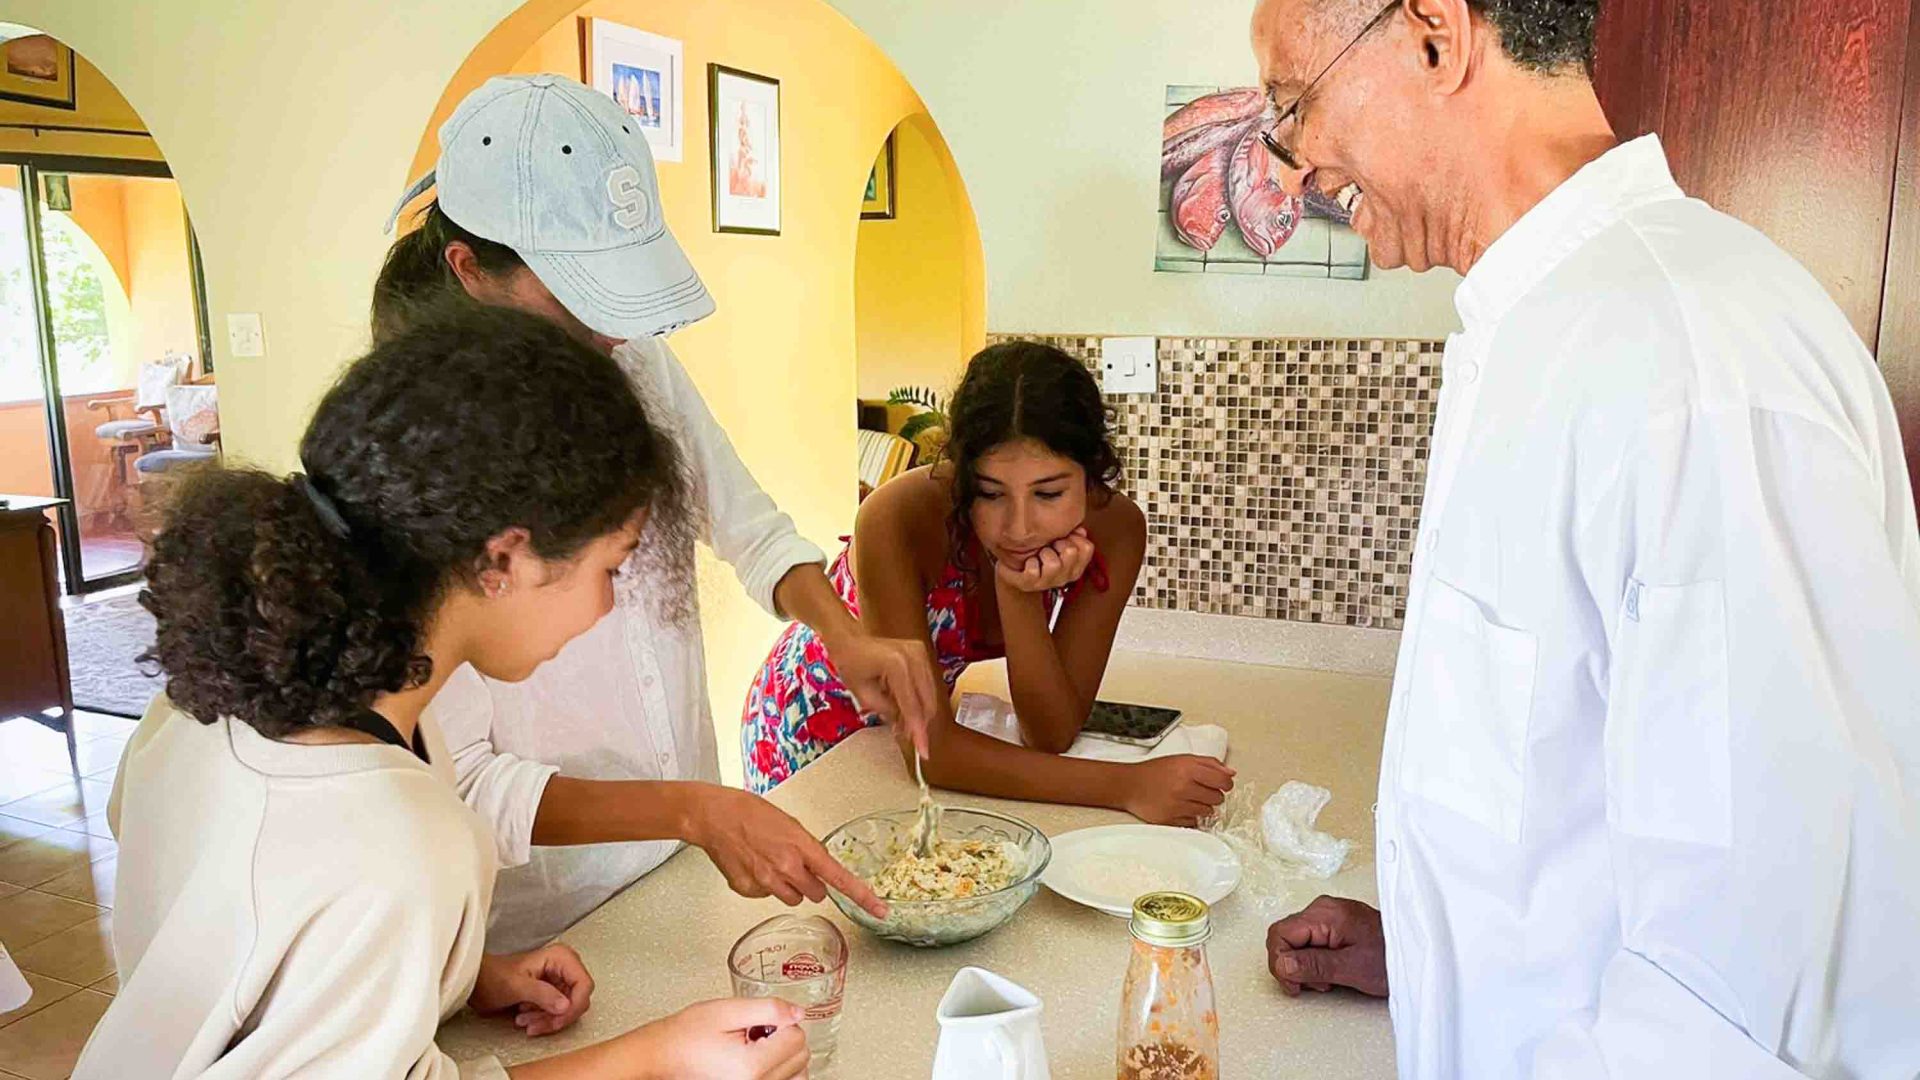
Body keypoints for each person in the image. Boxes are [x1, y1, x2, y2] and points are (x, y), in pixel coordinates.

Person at [1247, 0, 1920, 1075]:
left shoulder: (1694, 368)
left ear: (1434, 36)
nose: (1286, 168)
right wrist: (1434, 946)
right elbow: (1588, 797)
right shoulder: (1544, 331)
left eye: (1291, 103)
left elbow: (1752, 1002)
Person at [74, 302, 810, 1080]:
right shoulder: (393, 838)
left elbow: (239, 923)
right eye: (612, 567)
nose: (608, 606)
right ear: (505, 560)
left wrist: (450, 975)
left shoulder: (213, 702)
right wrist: (653, 1060)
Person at [374, 74, 933, 953]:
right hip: (539, 929)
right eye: (578, 298)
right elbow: (460, 778)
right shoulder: (415, 466)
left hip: (676, 866)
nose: (609, 333)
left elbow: (743, 519)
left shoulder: (629, 361)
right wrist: (694, 810)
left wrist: (842, 632)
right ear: (470, 269)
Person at [743, 340, 1237, 824]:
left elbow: (1050, 731)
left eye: (1048, 493)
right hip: (808, 729)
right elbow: (930, 751)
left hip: (924, 750)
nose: (1019, 527)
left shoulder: (1118, 530)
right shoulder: (895, 519)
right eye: (989, 493)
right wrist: (1126, 785)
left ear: (1091, 472)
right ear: (960, 476)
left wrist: (1016, 592)